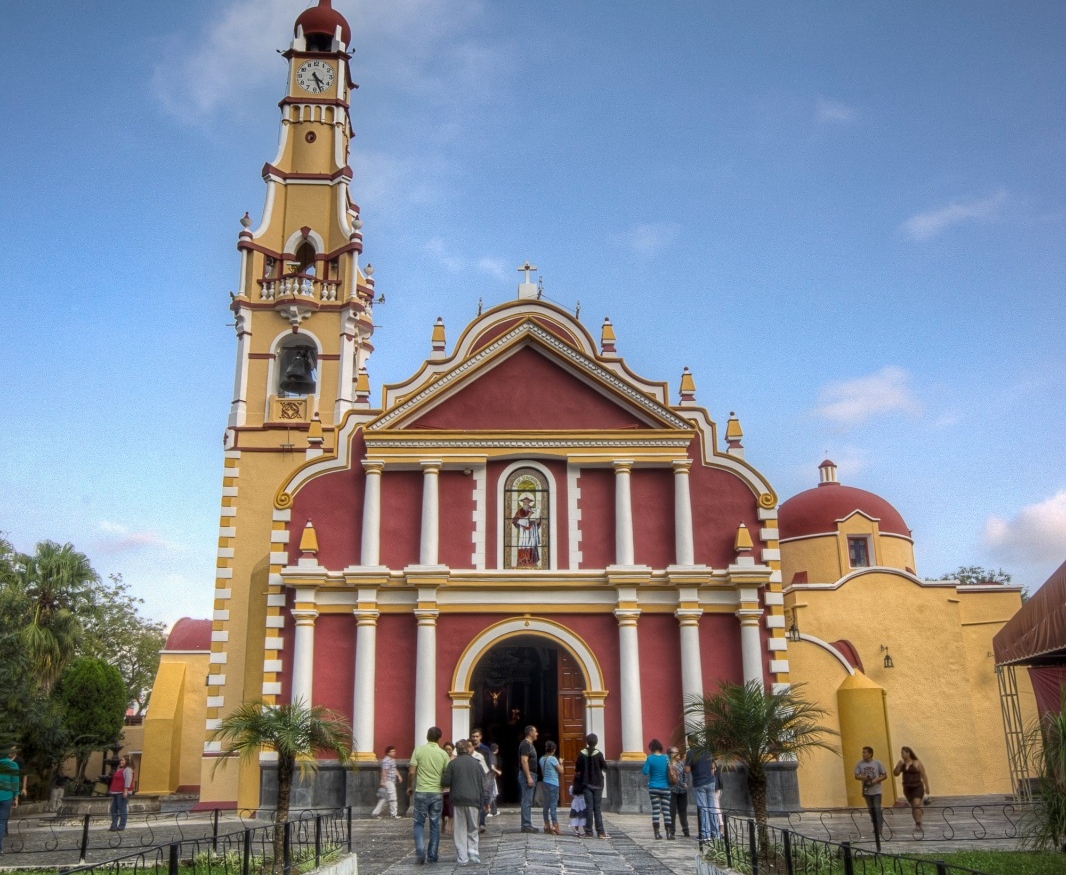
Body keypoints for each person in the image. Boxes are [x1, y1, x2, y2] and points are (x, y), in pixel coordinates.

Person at [407, 726, 451, 864]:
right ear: (439, 738)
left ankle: (420, 850)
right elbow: (447, 773)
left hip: (421, 792)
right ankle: (432, 855)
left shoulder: (418, 750)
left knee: (418, 823)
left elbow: (412, 772)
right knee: (435, 825)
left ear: (427, 737)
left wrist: (409, 786)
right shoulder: (443, 754)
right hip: (437, 793)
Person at [442, 740, 485, 866]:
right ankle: (473, 851)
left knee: (460, 829)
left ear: (457, 750)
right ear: (468, 749)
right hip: (473, 799)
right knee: (473, 827)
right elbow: (483, 784)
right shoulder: (477, 764)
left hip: (458, 800)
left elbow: (445, 782)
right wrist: (483, 801)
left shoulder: (452, 764)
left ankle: (462, 858)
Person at [685, 739, 719, 841]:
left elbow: (687, 769)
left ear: (690, 743)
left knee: (703, 809)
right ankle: (716, 833)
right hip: (711, 781)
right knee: (712, 807)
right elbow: (713, 766)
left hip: (699, 783)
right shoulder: (707, 751)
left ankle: (705, 834)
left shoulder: (691, 753)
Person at [575, 733, 608, 839]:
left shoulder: (581, 754)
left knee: (589, 808)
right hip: (598, 784)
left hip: (586, 784)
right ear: (596, 742)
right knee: (597, 808)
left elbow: (577, 768)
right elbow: (605, 767)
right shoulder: (599, 754)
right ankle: (600, 832)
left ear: (587, 742)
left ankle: (589, 832)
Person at [854, 746, 888, 845]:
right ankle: (874, 826)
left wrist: (877, 779)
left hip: (876, 790)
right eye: (862, 752)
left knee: (877, 808)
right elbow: (856, 776)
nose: (863, 754)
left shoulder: (877, 763)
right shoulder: (860, 764)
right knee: (870, 809)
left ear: (870, 754)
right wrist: (864, 777)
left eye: (865, 752)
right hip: (867, 790)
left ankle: (879, 828)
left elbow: (884, 775)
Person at [641, 738, 673, 839]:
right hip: (665, 787)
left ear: (651, 748)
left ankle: (657, 833)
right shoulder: (666, 758)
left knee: (655, 810)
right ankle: (669, 833)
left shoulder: (650, 758)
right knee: (666, 810)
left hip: (653, 787)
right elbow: (671, 770)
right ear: (660, 747)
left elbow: (645, 772)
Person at [893, 746, 931, 830]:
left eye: (903, 753)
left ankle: (918, 823)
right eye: (901, 753)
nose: (901, 755)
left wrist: (927, 787)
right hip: (907, 788)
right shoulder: (902, 764)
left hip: (917, 787)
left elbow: (923, 775)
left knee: (916, 804)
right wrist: (898, 766)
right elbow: (895, 774)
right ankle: (918, 819)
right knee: (913, 807)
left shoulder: (916, 763)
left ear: (908, 753)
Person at [469, 728, 493, 830]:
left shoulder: (485, 749)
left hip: (482, 777)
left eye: (477, 736)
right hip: (470, 778)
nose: (475, 738)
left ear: (480, 737)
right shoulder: (467, 748)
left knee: (482, 800)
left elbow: (487, 765)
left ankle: (482, 823)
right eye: (473, 736)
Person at [517, 725, 539, 833]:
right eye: (535, 732)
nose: (537, 734)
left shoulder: (528, 745)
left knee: (528, 800)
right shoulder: (526, 745)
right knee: (527, 800)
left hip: (530, 774)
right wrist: (529, 777)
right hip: (528, 775)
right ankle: (526, 824)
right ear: (530, 732)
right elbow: (524, 761)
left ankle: (527, 823)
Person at [371, 745, 402, 818]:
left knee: (385, 798)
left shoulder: (392, 760)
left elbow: (394, 769)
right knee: (393, 797)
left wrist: (399, 775)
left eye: (394, 751)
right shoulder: (386, 760)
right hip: (388, 781)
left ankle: (375, 813)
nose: (394, 752)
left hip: (392, 780)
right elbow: (384, 771)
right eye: (392, 751)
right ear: (388, 752)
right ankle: (394, 814)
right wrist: (383, 781)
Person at [539, 740, 563, 834]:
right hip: (553, 783)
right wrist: (561, 763)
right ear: (553, 749)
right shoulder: (553, 759)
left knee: (546, 805)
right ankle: (555, 826)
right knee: (553, 806)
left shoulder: (542, 759)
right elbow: (561, 771)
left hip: (545, 783)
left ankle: (546, 825)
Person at [667, 746, 690, 839]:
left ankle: (686, 830)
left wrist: (685, 783)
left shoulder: (681, 763)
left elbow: (685, 774)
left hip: (682, 790)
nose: (677, 754)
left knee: (683, 810)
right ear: (670, 754)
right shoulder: (667, 764)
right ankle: (672, 831)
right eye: (675, 752)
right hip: (672, 790)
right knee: (672, 811)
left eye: (678, 752)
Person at [511, 495, 541, 567]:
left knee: (532, 544)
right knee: (524, 544)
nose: (525, 503)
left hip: (532, 530)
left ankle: (532, 562)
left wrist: (538, 521)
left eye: (527, 502)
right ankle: (522, 562)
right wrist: (528, 516)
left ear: (529, 503)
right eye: (524, 502)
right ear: (522, 503)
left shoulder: (534, 510)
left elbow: (539, 519)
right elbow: (515, 520)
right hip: (524, 532)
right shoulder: (520, 511)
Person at [108, 755, 134, 831]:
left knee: (122, 808)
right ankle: (114, 825)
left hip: (122, 792)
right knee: (113, 809)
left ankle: (121, 826)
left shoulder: (128, 770)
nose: (121, 762)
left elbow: (128, 780)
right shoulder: (120, 769)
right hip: (116, 792)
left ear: (127, 761)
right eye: (121, 760)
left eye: (123, 760)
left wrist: (125, 790)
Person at [0, 749, 19, 855]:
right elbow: (15, 783)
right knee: (2, 823)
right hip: (6, 797)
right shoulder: (13, 765)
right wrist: (16, 798)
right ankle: (0, 849)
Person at [488, 743, 501, 816]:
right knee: (492, 794)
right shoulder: (492, 756)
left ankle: (493, 810)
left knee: (493, 794)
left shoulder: (490, 755)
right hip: (490, 777)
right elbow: (492, 766)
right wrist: (498, 771)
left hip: (491, 777)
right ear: (497, 749)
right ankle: (489, 810)